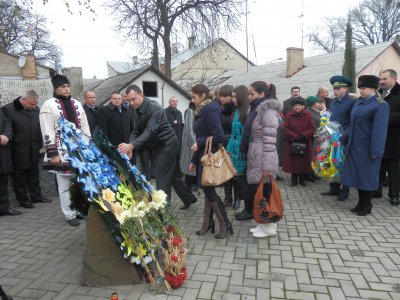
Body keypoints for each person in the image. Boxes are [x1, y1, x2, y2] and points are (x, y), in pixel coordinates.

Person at [118, 85, 197, 209]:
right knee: (174, 174)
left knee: (161, 176)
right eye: (129, 101)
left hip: (168, 144)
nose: (131, 103)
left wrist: (131, 145)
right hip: (158, 145)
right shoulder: (136, 109)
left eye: (134, 99)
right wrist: (130, 146)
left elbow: (150, 131)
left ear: (141, 95)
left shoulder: (155, 108)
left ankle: (164, 211)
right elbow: (136, 130)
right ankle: (189, 198)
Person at [40, 74, 90, 226]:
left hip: (79, 150)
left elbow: (85, 127)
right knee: (64, 185)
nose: (67, 89)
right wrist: (52, 153)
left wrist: (88, 147)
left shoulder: (77, 104)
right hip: (61, 150)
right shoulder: (48, 105)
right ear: (56, 89)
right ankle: (69, 214)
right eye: (63, 87)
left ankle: (77, 209)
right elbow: (46, 129)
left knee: (78, 183)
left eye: (68, 86)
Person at [236, 81, 281, 238]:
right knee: (259, 191)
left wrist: (268, 165)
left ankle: (270, 227)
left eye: (251, 94)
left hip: (264, 156)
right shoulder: (257, 109)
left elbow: (270, 140)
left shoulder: (268, 111)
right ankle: (262, 224)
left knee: (266, 191)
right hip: (257, 153)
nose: (248, 97)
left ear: (262, 94)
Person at [341, 75, 389, 216]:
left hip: (368, 149)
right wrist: (343, 138)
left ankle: (367, 205)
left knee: (367, 177)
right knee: (357, 176)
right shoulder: (358, 103)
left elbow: (379, 131)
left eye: (364, 88)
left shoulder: (380, 105)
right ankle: (360, 203)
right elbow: (353, 125)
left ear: (373, 88)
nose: (360, 91)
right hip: (354, 147)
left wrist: (376, 151)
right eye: (360, 88)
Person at [188, 83, 232, 239]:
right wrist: (193, 159)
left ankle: (225, 224)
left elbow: (219, 135)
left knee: (209, 190)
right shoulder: (201, 110)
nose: (192, 100)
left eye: (194, 97)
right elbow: (203, 134)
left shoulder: (210, 109)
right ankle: (208, 223)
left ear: (203, 96)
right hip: (202, 156)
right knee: (207, 190)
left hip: (210, 157)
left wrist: (199, 143)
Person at [2, 90, 51, 209]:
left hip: (34, 148)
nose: (34, 107)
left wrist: (40, 144)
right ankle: (23, 200)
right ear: (23, 100)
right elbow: (7, 128)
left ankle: (36, 196)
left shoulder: (35, 109)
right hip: (18, 149)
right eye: (32, 104)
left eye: (35, 104)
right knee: (19, 177)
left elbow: (40, 127)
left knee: (34, 174)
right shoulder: (8, 109)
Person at [321, 76, 354, 201]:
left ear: (345, 89)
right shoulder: (333, 102)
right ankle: (333, 188)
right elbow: (331, 119)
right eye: (334, 88)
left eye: (338, 88)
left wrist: (343, 136)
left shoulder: (351, 103)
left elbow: (352, 122)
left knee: (343, 165)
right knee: (332, 162)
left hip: (343, 138)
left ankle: (344, 192)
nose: (335, 91)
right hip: (332, 137)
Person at [374, 69, 400, 206]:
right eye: (380, 79)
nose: (381, 81)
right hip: (379, 138)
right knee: (378, 166)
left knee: (394, 169)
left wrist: (383, 119)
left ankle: (394, 195)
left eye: (384, 79)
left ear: (394, 79)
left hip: (394, 139)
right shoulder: (378, 94)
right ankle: (376, 190)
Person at [282, 98, 316, 187]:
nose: (297, 107)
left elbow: (312, 127)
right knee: (294, 162)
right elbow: (285, 128)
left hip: (305, 141)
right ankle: (294, 180)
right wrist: (294, 137)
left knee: (303, 162)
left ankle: (302, 180)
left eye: (299, 105)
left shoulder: (308, 115)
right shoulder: (289, 115)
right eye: (295, 106)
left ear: (303, 106)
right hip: (292, 142)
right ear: (293, 107)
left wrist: (304, 136)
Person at [226, 85, 249, 210]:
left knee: (240, 177)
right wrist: (228, 150)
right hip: (234, 149)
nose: (232, 99)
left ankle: (239, 199)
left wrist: (244, 150)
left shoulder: (247, 112)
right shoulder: (236, 111)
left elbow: (249, 136)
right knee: (235, 176)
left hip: (242, 151)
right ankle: (235, 199)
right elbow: (233, 134)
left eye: (234, 96)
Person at [0, 107, 21, 217]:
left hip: (3, 153)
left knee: (3, 182)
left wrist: (6, 135)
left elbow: (7, 124)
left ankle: (4, 208)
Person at [219, 85, 237, 208]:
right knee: (225, 172)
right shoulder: (220, 110)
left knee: (235, 172)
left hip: (233, 144)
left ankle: (237, 197)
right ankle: (228, 197)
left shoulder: (236, 110)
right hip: (222, 144)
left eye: (226, 96)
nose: (223, 98)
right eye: (221, 96)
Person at [180, 101, 197, 192]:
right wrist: (193, 142)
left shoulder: (197, 111)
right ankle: (189, 184)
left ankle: (192, 184)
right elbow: (189, 129)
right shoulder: (191, 111)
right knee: (189, 162)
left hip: (194, 141)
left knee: (191, 163)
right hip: (190, 142)